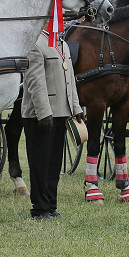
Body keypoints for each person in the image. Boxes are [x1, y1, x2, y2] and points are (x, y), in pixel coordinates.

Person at [21, 32, 83, 219]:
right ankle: (39, 208)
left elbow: (69, 77)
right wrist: (43, 112)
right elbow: (34, 81)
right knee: (40, 162)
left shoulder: (61, 43)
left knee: (54, 162)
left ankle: (50, 205)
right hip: (41, 115)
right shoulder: (36, 43)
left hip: (61, 112)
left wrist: (76, 107)